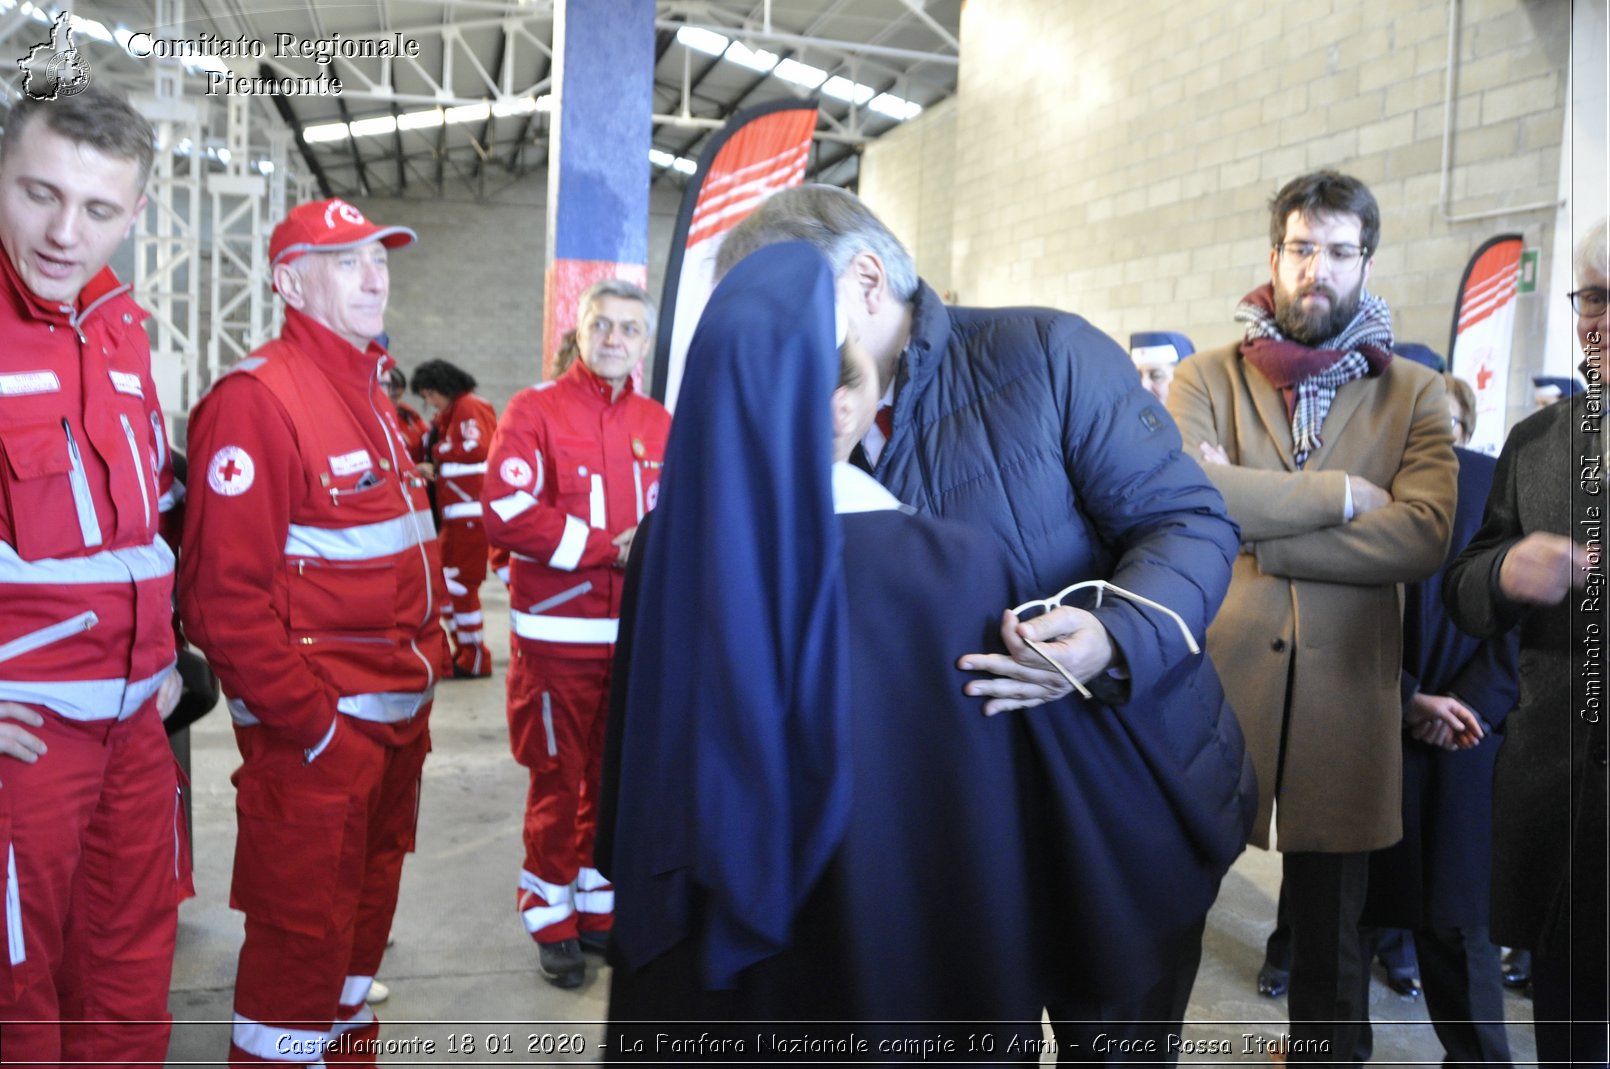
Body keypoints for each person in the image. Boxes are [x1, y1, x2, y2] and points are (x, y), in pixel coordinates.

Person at [716, 185, 1254, 1062]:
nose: (765, 328)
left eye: (779, 297)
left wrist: (1111, 633)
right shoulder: (793, 407)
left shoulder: (1044, 353)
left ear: (862, 278)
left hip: (1110, 789)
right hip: (938, 827)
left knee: (1113, 1037)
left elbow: (1191, 521)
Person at [599, 241, 1043, 1055]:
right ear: (843, 404)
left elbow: (631, 770)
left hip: (699, 965)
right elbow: (974, 835)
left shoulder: (663, 547)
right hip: (888, 963)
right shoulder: (957, 568)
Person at [1166, 170, 1458, 1062]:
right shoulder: (1203, 375)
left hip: (1347, 699)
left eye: (1338, 251)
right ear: (1275, 256)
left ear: (1365, 262)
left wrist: (1264, 531)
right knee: (1170, 901)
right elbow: (1191, 490)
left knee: (1333, 933)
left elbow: (1424, 536)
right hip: (1219, 693)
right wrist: (1338, 496)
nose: (1316, 269)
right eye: (1302, 249)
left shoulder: (1414, 394)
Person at [180, 197, 450, 1066]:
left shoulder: (371, 394)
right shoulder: (258, 401)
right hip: (320, 747)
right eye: (346, 262)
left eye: (379, 259)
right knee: (296, 973)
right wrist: (319, 727)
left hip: (394, 733)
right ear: (290, 281)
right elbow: (221, 600)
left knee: (350, 964)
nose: (374, 276)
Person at [0, 86, 190, 1064]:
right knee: (14, 997)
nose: (66, 234)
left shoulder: (122, 327)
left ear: (136, 214)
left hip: (132, 727)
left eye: (100, 210)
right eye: (39, 193)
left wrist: (160, 651)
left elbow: (140, 521)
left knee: (126, 976)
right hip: (22, 746)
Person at [1444, 219, 1609, 1068]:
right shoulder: (1541, 442)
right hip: (1562, 819)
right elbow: (1464, 590)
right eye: (1592, 297)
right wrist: (1507, 570)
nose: (1598, 321)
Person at [480, 279, 671, 990]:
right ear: (582, 330)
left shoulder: (662, 422)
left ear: (645, 342)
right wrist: (605, 546)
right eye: (603, 325)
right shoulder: (534, 410)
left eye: (629, 328)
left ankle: (596, 907)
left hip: (634, 640)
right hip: (556, 640)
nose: (615, 338)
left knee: (614, 782)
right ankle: (549, 916)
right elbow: (504, 510)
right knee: (558, 783)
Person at [411, 358, 498, 678]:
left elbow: (478, 447)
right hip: (456, 517)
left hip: (469, 518)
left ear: (443, 386)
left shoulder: (469, 406)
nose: (428, 401)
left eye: (430, 393)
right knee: (448, 586)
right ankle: (464, 652)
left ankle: (475, 658)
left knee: (460, 587)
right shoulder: (453, 412)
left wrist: (439, 452)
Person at [387, 366, 429, 463]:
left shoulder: (407, 413)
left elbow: (425, 434)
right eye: (393, 397)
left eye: (400, 396)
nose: (398, 402)